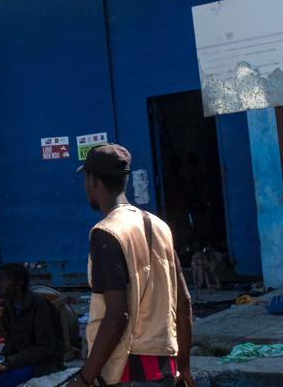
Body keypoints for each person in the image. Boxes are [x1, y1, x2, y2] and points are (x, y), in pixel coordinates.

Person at [69, 144, 194, 387]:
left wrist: (84, 378)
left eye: (86, 179)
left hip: (128, 369)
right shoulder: (160, 226)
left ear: (93, 181)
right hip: (165, 367)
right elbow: (184, 302)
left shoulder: (106, 233)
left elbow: (117, 315)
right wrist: (184, 366)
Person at [0, 263, 65, 387]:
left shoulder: (40, 307)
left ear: (19, 284)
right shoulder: (9, 306)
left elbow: (44, 348)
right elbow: (11, 340)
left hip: (44, 362)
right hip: (22, 360)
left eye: (4, 281)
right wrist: (0, 360)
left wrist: (11, 362)